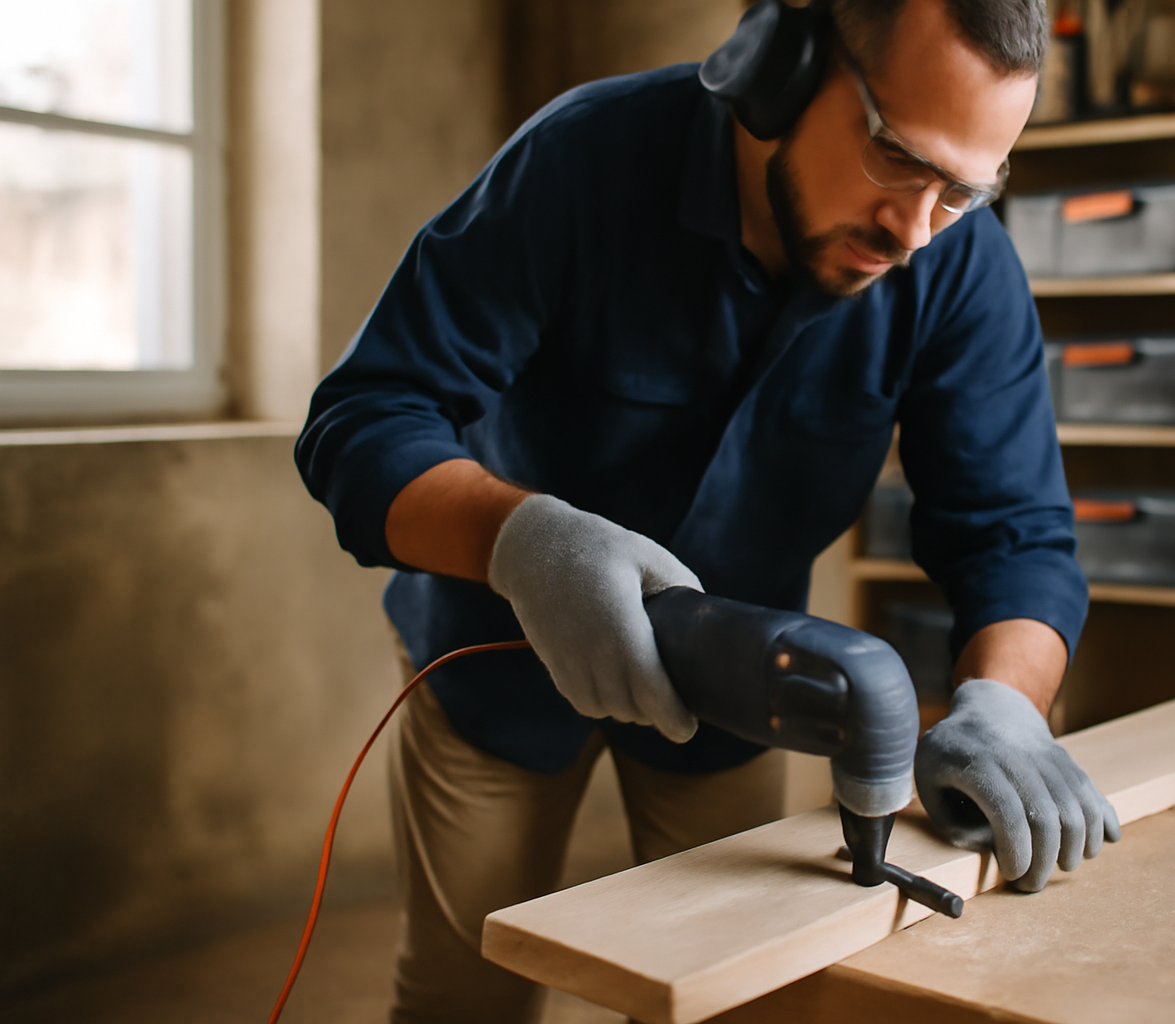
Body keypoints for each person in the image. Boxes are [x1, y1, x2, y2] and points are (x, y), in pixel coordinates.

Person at [296, 1, 1119, 1021]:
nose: (912, 230)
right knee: (463, 998)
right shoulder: (578, 163)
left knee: (740, 998)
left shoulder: (956, 262)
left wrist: (1003, 698)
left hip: (734, 685)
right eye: (897, 157)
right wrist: (524, 543)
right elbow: (363, 418)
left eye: (962, 188)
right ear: (781, 63)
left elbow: (1015, 531)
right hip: (493, 650)